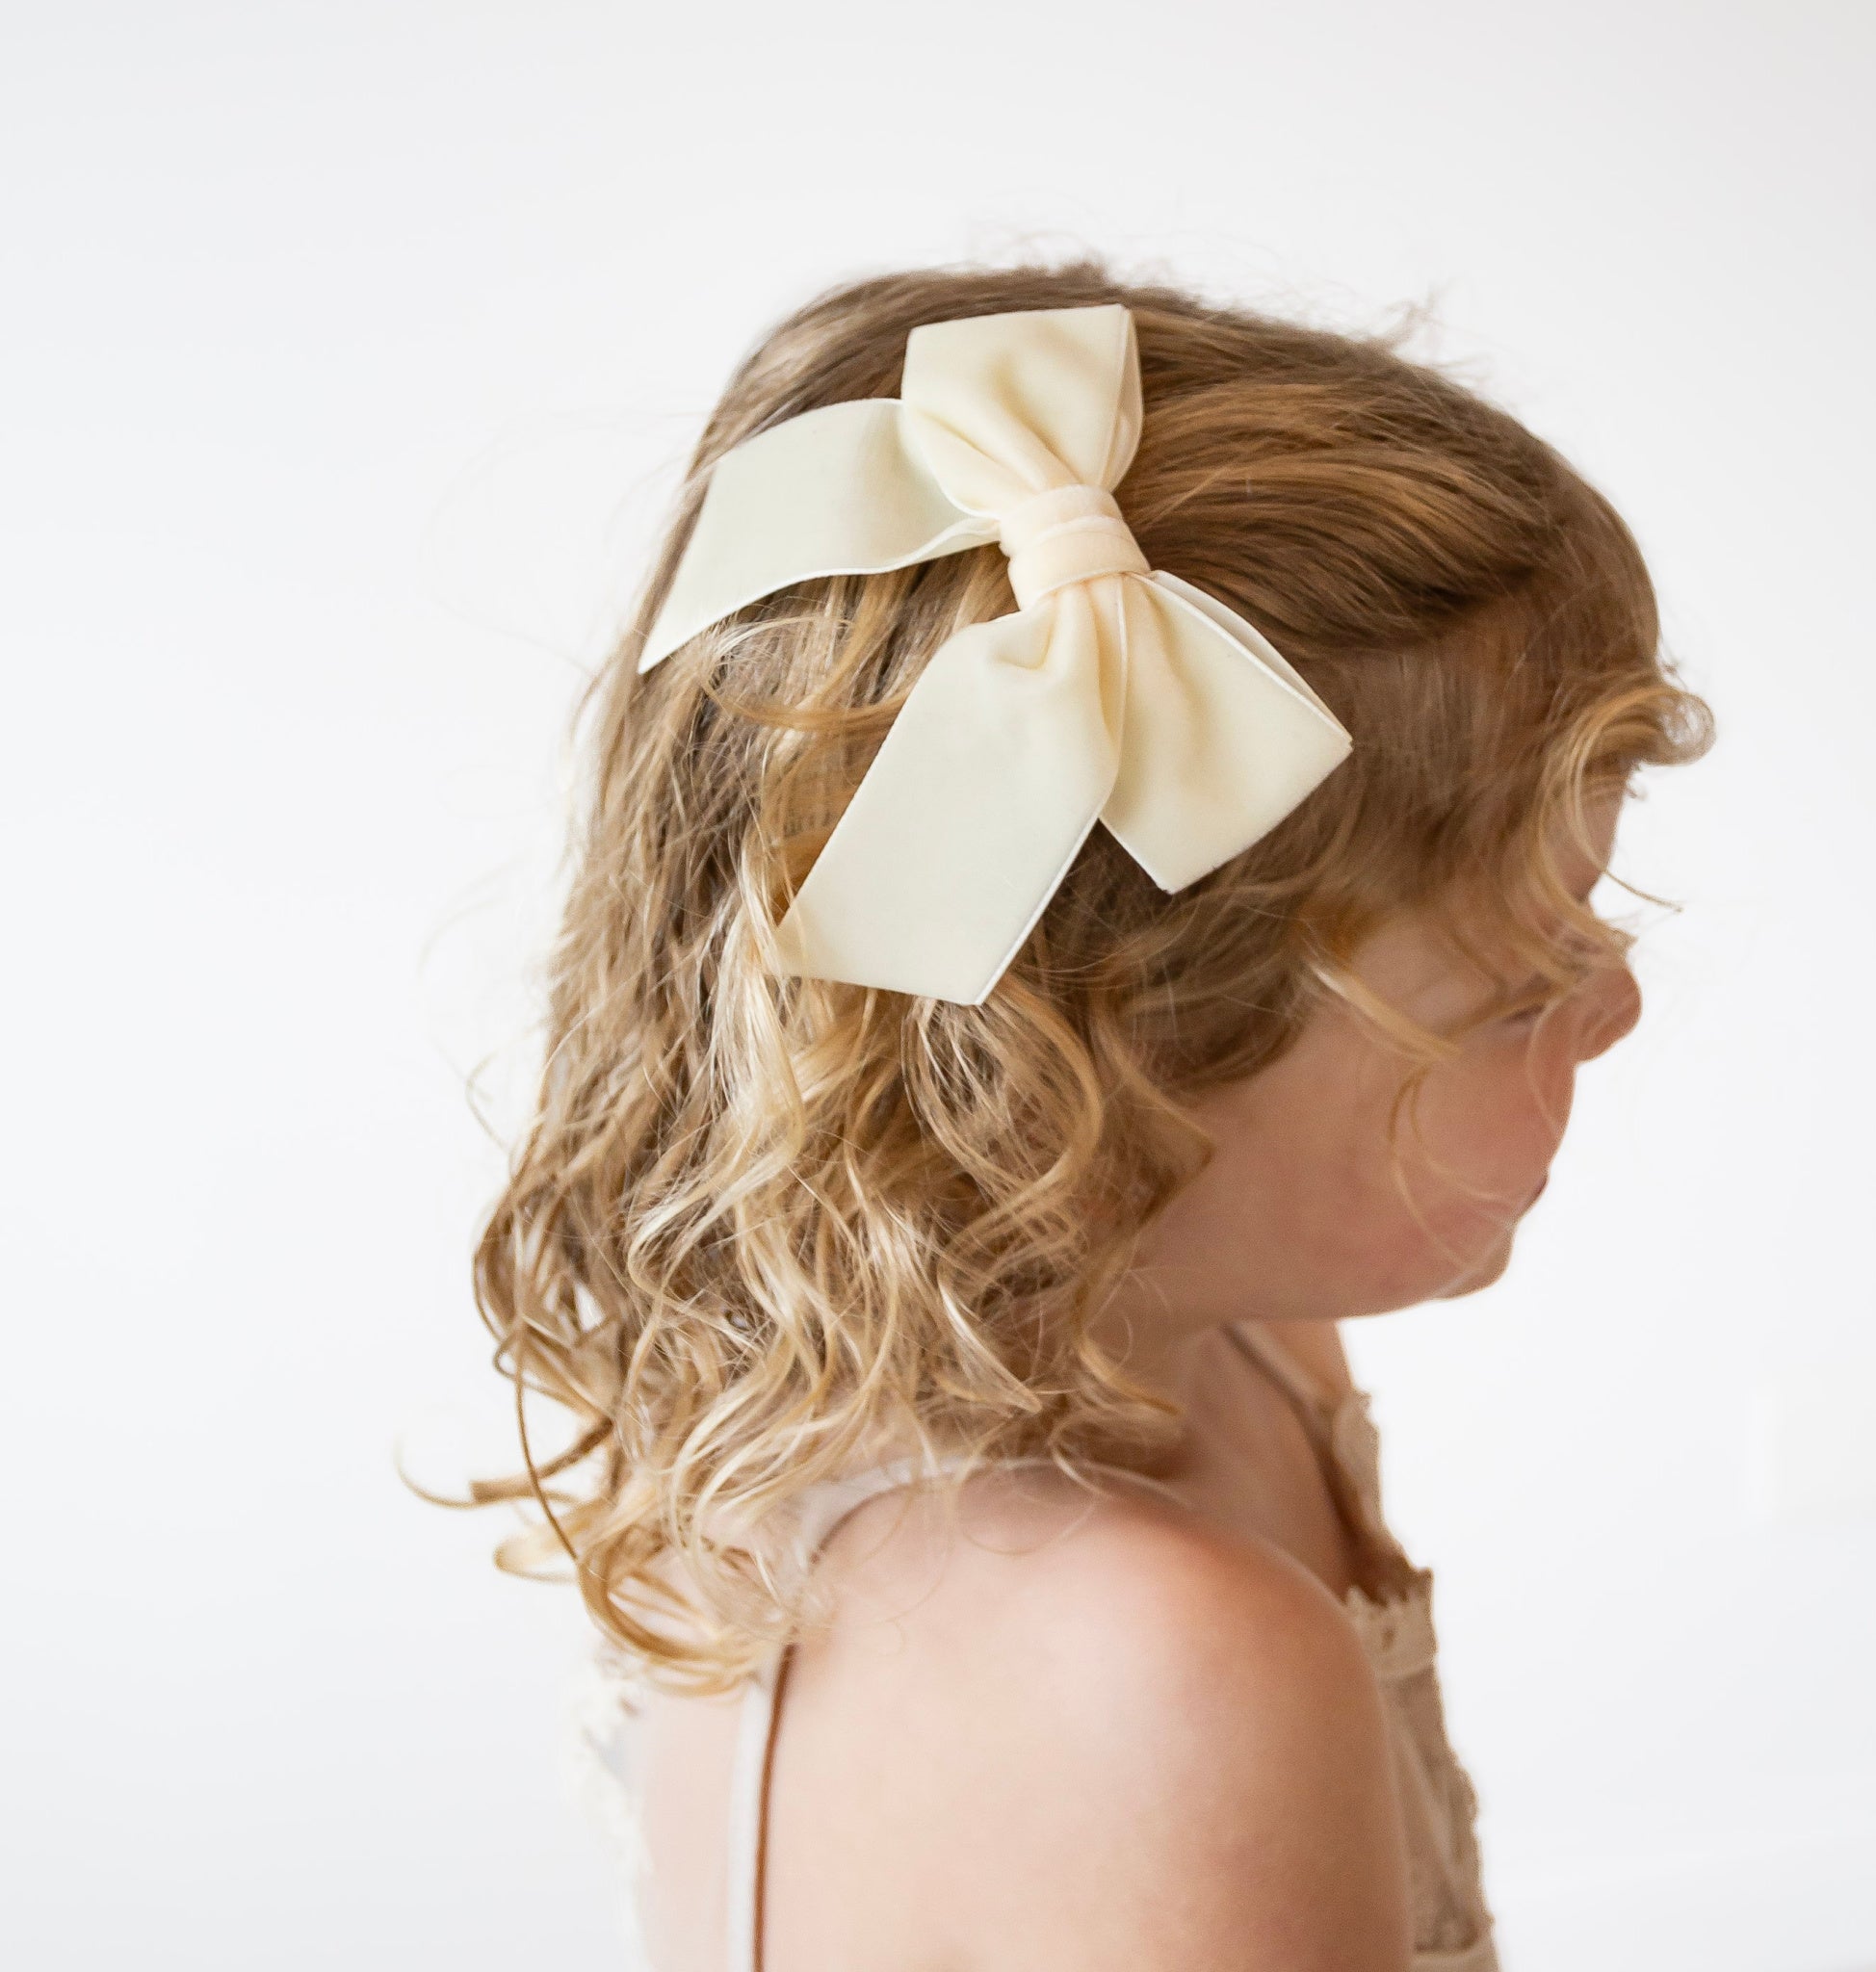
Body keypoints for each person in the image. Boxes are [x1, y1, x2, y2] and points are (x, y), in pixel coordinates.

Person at [461, 262, 1710, 1972]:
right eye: (1524, 983)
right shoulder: (1160, 1661)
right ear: (1108, 1082)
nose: (1619, 1004)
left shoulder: (1233, 1347)